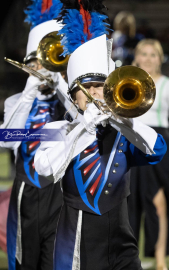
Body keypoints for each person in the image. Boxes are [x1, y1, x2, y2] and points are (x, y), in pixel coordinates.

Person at [34, 2, 167, 269]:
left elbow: (157, 150)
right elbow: (44, 169)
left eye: (101, 86)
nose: (95, 93)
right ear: (73, 96)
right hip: (76, 244)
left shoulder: (121, 134)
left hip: (123, 245)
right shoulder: (60, 130)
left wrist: (123, 120)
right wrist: (84, 126)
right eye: (89, 87)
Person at [0, 0, 68, 269]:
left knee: (55, 261)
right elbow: (6, 139)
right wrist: (29, 93)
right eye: (37, 63)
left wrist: (60, 82)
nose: (42, 69)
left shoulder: (66, 102)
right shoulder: (15, 101)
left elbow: (78, 120)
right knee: (24, 260)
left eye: (47, 62)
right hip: (26, 191)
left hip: (60, 192)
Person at [128, 39, 169, 270]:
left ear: (160, 58)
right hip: (132, 144)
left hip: (159, 146)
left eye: (153, 54)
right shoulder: (128, 83)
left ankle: (160, 260)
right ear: (137, 57)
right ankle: (130, 260)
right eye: (144, 54)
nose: (148, 59)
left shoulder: (166, 85)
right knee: (129, 204)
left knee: (159, 205)